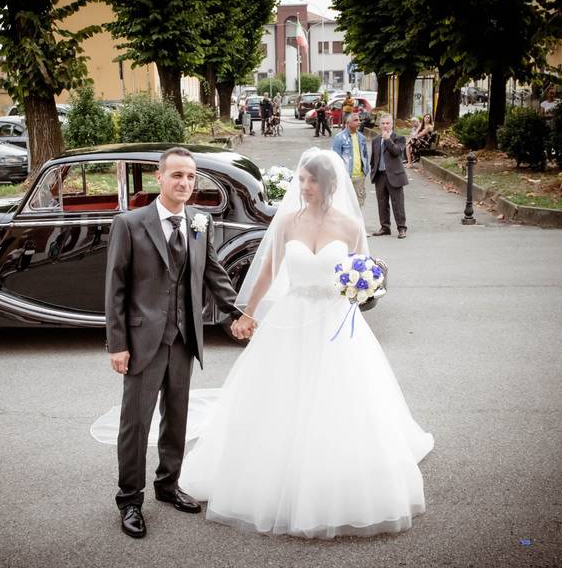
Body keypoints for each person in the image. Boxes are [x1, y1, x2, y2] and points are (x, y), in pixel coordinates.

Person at [176, 148, 434, 538]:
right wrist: (248, 314)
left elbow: (365, 271)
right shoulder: (288, 223)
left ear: (329, 184)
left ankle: (333, 476)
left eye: (312, 181)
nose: (305, 187)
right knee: (280, 396)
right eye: (301, 180)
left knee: (340, 398)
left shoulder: (349, 226)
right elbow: (267, 271)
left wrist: (361, 290)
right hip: (291, 318)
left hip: (334, 321)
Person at [104, 146, 251, 539]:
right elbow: (115, 289)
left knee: (177, 418)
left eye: (190, 176)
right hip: (141, 340)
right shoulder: (131, 224)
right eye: (177, 175)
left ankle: (168, 486)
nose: (185, 183)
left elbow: (214, 275)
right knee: (135, 423)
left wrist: (238, 312)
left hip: (185, 339)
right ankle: (130, 500)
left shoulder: (200, 223)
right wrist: (117, 343)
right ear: (159, 177)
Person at [369, 113, 408, 238]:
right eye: (383, 123)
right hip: (380, 175)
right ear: (380, 125)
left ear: (392, 124)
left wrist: (387, 140)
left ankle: (401, 228)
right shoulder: (375, 140)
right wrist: (373, 171)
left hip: (394, 175)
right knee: (382, 202)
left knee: (398, 203)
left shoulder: (399, 138)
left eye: (388, 123)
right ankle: (385, 227)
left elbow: (397, 152)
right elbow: (373, 159)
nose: (385, 126)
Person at [332, 114, 369, 208]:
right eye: (356, 120)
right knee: (345, 206)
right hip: (346, 177)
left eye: (359, 120)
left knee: (358, 206)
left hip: (359, 177)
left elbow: (365, 155)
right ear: (348, 123)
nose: (359, 122)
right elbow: (335, 159)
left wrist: (365, 171)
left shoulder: (361, 137)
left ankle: (357, 223)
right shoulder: (339, 138)